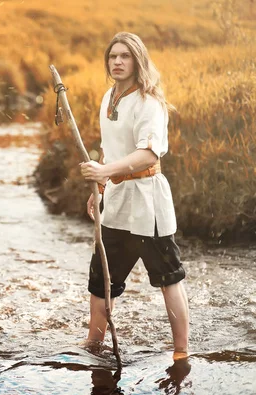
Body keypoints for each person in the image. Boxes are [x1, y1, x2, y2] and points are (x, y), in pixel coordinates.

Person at [79, 32, 189, 360]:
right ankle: (94, 345)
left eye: (125, 56)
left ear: (137, 60)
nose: (117, 62)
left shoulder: (148, 103)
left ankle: (182, 352)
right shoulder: (108, 98)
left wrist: (105, 171)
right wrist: (100, 184)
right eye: (113, 56)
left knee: (169, 277)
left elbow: (148, 156)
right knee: (101, 278)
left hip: (147, 205)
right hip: (115, 203)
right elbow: (108, 150)